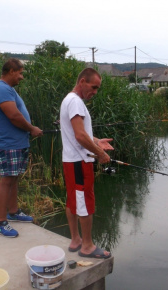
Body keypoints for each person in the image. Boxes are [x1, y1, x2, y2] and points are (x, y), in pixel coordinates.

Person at [60, 68, 114, 259]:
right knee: (85, 201)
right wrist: (100, 154)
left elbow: (81, 135)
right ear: (82, 81)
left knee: (73, 199)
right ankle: (88, 246)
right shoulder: (76, 102)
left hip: (70, 161)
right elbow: (80, 135)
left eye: (97, 89)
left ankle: (76, 240)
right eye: (93, 87)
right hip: (80, 163)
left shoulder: (68, 99)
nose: (95, 92)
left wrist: (97, 142)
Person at [0, 58, 43, 238]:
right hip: (8, 144)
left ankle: (13, 212)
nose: (21, 77)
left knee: (13, 179)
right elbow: (13, 115)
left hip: (17, 143)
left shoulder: (8, 89)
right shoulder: (1, 88)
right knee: (6, 180)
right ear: (11, 71)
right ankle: (0, 222)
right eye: (20, 73)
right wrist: (32, 129)